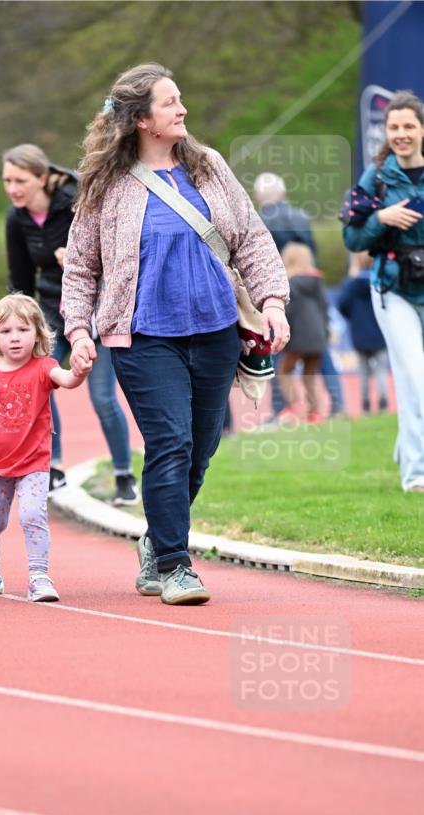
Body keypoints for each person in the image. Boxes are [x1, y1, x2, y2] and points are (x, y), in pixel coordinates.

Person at [61, 63, 290, 606]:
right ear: (141, 119)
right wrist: (77, 329)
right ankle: (175, 563)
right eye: (170, 103)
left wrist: (274, 302)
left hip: (215, 330)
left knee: (202, 448)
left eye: (179, 99)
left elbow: (252, 239)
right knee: (171, 443)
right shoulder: (107, 185)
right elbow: (82, 269)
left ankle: (156, 541)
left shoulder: (208, 166)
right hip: (142, 337)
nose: (182, 109)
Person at [2, 144, 139, 505]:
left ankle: (124, 476)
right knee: (38, 381)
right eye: (7, 181)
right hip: (50, 308)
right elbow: (20, 279)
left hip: (96, 308)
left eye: (21, 180)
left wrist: (77, 260)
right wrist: (17, 323)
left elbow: (115, 251)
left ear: (42, 178)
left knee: (103, 397)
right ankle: (55, 467)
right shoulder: (16, 219)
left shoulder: (76, 200)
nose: (13, 188)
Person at [0, 293, 86, 602]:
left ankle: (39, 576)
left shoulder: (45, 367)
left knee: (33, 515)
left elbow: (68, 380)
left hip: (34, 461)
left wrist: (79, 371)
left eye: (23, 330)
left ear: (38, 334)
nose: (15, 338)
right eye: (6, 332)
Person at [342, 90, 424, 492]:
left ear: (422, 130)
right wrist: (381, 217)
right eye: (394, 127)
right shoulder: (375, 178)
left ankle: (406, 448)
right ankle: (416, 475)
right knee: (414, 376)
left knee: (417, 383)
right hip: (391, 287)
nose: (401, 133)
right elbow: (352, 238)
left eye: (409, 126)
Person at [254, 172, 347, 421]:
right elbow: (311, 252)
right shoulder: (301, 216)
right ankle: (337, 405)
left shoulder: (258, 220)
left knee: (274, 351)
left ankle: (282, 409)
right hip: (310, 286)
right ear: (283, 194)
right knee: (320, 349)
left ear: (259, 197)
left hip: (274, 292)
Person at [279, 244, 327, 422]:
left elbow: (288, 312)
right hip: (318, 337)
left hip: (298, 336)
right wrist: (325, 335)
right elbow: (324, 309)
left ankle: (294, 404)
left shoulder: (289, 283)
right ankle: (314, 412)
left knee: (284, 371)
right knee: (310, 374)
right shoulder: (317, 282)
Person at [337, 252, 389, 414]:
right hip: (380, 333)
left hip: (359, 334)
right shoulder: (381, 282)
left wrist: (354, 318)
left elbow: (342, 305)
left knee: (364, 371)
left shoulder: (351, 284)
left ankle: (365, 406)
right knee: (381, 369)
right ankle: (383, 403)